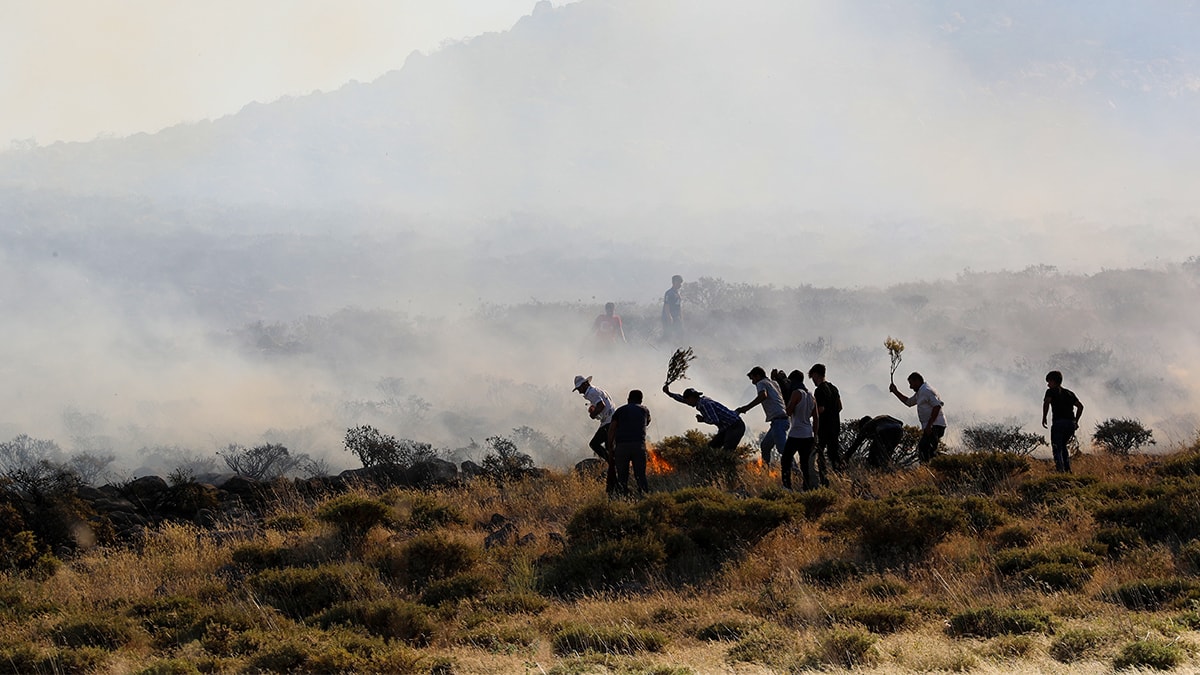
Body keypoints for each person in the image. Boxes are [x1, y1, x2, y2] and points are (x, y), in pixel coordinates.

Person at [661, 383, 745, 453]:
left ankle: (729, 470)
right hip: (727, 427)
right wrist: (669, 393)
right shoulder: (700, 401)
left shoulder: (704, 404)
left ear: (691, 398)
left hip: (735, 426)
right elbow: (682, 399)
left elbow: (714, 420)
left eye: (687, 400)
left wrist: (703, 419)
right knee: (710, 449)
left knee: (727, 452)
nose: (687, 403)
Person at [735, 366, 789, 467]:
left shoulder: (761, 383)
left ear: (758, 376)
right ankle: (765, 472)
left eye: (753, 378)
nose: (753, 382)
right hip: (779, 420)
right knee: (765, 446)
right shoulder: (773, 383)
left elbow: (763, 396)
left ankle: (797, 473)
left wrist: (746, 408)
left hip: (779, 421)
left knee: (783, 449)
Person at [889, 371, 946, 463]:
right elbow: (909, 402)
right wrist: (895, 392)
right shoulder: (920, 392)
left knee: (925, 448)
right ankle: (939, 463)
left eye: (911, 383)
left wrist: (929, 425)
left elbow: (937, 406)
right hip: (933, 425)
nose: (910, 387)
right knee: (926, 449)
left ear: (917, 381)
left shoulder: (926, 391)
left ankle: (934, 467)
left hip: (935, 426)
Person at [574, 375, 616, 493]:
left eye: (579, 389)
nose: (579, 392)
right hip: (610, 420)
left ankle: (611, 462)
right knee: (609, 445)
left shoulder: (591, 392)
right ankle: (613, 463)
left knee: (594, 444)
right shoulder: (597, 390)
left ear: (584, 384)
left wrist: (593, 414)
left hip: (608, 422)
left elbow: (601, 405)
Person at [608, 389, 652, 495]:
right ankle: (645, 498)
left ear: (628, 399)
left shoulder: (620, 410)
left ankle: (623, 500)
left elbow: (612, 429)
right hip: (639, 446)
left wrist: (610, 447)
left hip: (622, 447)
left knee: (622, 477)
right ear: (641, 400)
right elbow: (648, 422)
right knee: (640, 476)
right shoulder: (644, 410)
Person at [783, 370, 820, 490]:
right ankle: (807, 488)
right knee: (805, 464)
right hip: (808, 434)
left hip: (796, 434)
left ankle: (787, 487)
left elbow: (788, 412)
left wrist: (787, 402)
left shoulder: (796, 393)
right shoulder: (811, 396)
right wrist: (815, 435)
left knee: (785, 460)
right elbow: (816, 417)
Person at [1042, 370, 1084, 473]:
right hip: (1070, 424)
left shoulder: (1051, 391)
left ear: (1054, 381)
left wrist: (1044, 417)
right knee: (1063, 446)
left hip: (1058, 423)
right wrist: (1075, 421)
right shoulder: (1069, 393)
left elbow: (1047, 402)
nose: (1048, 385)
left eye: (1049, 382)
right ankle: (1068, 470)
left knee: (1057, 448)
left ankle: (1060, 471)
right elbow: (1080, 407)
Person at [809, 363, 843, 480]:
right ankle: (839, 475)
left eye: (812, 376)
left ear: (815, 374)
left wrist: (809, 414)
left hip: (824, 428)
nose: (812, 380)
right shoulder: (834, 388)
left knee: (820, 453)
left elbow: (821, 409)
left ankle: (823, 478)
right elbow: (840, 406)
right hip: (835, 426)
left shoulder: (819, 391)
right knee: (834, 454)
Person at [661, 275, 683, 342]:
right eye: (679, 282)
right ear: (674, 282)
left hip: (676, 317)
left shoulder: (677, 293)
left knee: (679, 334)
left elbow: (679, 306)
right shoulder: (669, 293)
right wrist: (669, 317)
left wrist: (681, 317)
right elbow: (666, 305)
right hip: (669, 318)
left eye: (680, 283)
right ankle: (661, 345)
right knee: (668, 334)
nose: (680, 284)